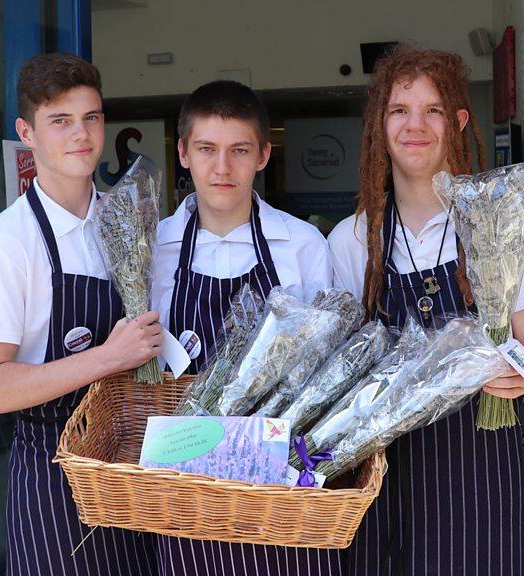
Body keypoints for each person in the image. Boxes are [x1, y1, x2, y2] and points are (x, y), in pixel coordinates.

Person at [327, 46, 524, 576]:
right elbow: (339, 371)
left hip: (480, 474)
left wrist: (517, 372)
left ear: (458, 122)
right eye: (400, 110)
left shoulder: (503, 228)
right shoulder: (353, 240)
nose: (416, 126)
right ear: (380, 126)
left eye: (432, 110)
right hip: (383, 476)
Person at [0, 53, 161, 576]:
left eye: (91, 117)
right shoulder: (7, 246)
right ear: (26, 132)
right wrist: (107, 357)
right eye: (60, 121)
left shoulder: (122, 220)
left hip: (128, 465)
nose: (82, 135)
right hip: (54, 480)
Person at [150, 80, 340, 575]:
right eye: (206, 149)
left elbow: (328, 366)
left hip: (279, 475)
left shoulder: (302, 245)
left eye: (239, 151)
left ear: (263, 155)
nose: (222, 167)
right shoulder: (153, 250)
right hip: (184, 479)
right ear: (182, 153)